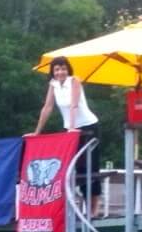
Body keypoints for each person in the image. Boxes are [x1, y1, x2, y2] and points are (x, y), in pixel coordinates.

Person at [32, 56, 101, 215]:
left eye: (63, 68)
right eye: (57, 69)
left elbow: (74, 104)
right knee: (76, 168)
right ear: (53, 72)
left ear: (68, 69)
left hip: (88, 126)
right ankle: (83, 206)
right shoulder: (53, 84)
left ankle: (94, 210)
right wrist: (37, 132)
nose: (60, 72)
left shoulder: (74, 80)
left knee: (91, 166)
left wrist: (71, 126)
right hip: (71, 130)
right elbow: (47, 107)